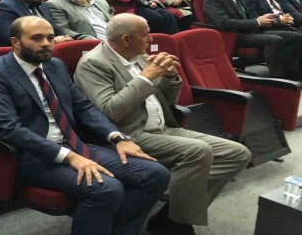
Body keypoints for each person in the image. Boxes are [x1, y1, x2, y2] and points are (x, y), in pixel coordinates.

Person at [0, 16, 170, 235]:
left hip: (76, 145)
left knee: (156, 174)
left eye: (50, 38)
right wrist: (69, 157)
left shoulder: (55, 65)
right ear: (16, 42)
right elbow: (8, 128)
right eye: (36, 38)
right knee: (106, 188)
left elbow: (83, 107)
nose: (46, 44)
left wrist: (117, 137)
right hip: (36, 156)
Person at [74, 14, 251, 235]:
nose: (151, 39)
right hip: (129, 135)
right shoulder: (93, 64)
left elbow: (168, 101)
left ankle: (170, 213)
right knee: (198, 151)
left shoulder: (138, 56)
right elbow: (108, 113)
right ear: (126, 39)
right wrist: (145, 78)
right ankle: (176, 223)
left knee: (237, 153)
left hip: (164, 127)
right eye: (145, 34)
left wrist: (170, 77)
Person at [204, 0, 302, 80]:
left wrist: (263, 18)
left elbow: (248, 16)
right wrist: (257, 22)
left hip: (249, 30)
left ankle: (293, 72)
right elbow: (223, 22)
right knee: (274, 40)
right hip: (233, 35)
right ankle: (278, 77)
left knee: (296, 36)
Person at [47, 0, 113, 40]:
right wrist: (91, 40)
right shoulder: (55, 4)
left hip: (114, 37)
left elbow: (112, 21)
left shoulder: (100, 0)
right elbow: (62, 30)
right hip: (93, 42)